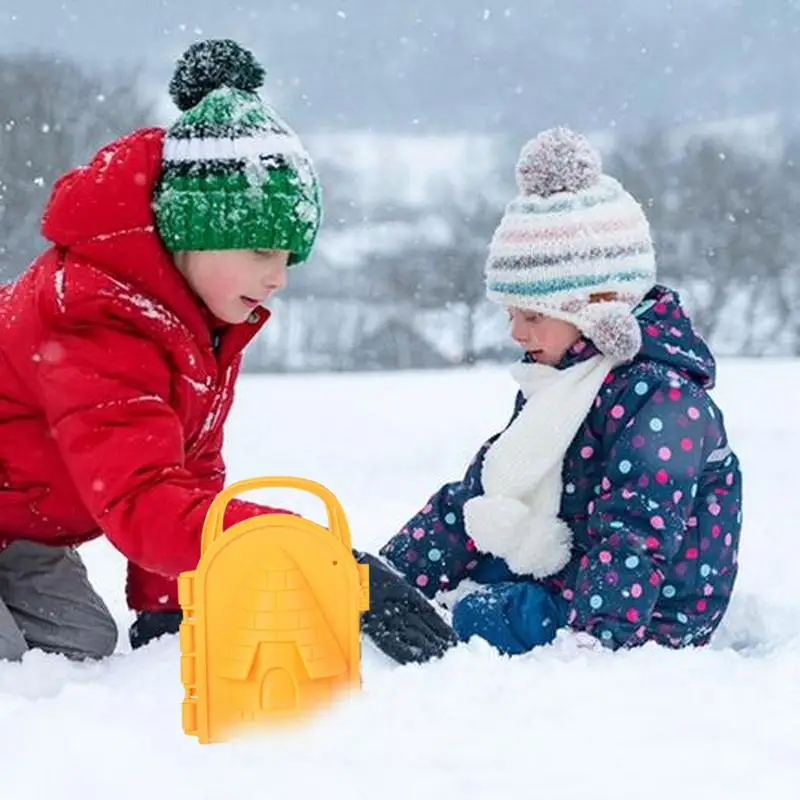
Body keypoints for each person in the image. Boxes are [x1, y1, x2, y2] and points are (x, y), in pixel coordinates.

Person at [358, 127, 743, 662]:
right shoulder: (562, 378)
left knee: (481, 613)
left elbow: (635, 532)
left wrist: (594, 639)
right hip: (579, 561)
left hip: (655, 608)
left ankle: (487, 641)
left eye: (533, 316)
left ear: (597, 305)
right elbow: (487, 492)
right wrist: (396, 572)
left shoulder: (666, 400)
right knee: (474, 560)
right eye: (511, 315)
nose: (516, 332)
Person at [0, 38, 323, 662]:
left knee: (81, 648)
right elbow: (144, 498)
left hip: (20, 533)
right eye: (261, 252)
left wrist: (166, 606)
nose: (278, 276)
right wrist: (291, 547)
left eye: (288, 259)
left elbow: (188, 470)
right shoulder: (93, 317)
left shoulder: (202, 326)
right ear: (193, 237)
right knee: (11, 668)